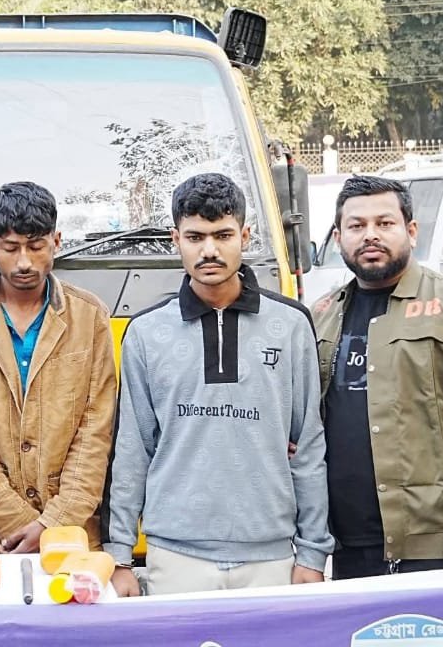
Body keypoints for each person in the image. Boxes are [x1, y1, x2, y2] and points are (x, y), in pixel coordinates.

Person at [106, 173, 331, 596]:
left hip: (272, 555)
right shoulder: (146, 332)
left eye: (223, 235)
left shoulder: (290, 325)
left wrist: (313, 553)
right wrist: (119, 554)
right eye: (195, 237)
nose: (209, 250)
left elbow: (308, 445)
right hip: (175, 554)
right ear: (176, 240)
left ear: (245, 236)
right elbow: (133, 449)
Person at [313, 175, 443, 579]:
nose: (370, 235)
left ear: (411, 230)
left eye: (384, 223)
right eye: (356, 225)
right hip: (348, 548)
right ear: (338, 238)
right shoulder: (321, 316)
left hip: (436, 547)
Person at [0, 182, 116, 554]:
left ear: (57, 241)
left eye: (36, 247)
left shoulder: (90, 316)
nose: (23, 262)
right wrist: (17, 522)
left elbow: (95, 431)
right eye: (10, 248)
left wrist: (54, 524)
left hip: (71, 536)